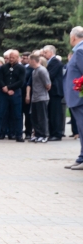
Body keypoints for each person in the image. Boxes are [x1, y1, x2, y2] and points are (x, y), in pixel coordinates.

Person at [0, 49, 26, 142]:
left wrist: (10, 88)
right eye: (10, 57)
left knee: (17, 115)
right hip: (4, 93)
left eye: (13, 58)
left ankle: (18, 135)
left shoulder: (21, 68)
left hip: (15, 93)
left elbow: (21, 81)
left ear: (17, 57)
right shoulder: (4, 67)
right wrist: (4, 87)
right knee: (0, 114)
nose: (11, 59)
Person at [63, 27, 83, 168]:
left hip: (79, 97)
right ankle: (81, 158)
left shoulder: (80, 51)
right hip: (77, 97)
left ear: (73, 37)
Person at [26, 53, 51, 143]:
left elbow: (48, 84)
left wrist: (45, 88)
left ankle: (44, 135)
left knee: (42, 117)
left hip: (42, 97)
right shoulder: (34, 71)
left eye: (29, 60)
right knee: (34, 117)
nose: (28, 62)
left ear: (33, 61)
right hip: (35, 97)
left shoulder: (42, 70)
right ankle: (38, 134)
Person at [43, 45, 65, 140]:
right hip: (50, 91)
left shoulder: (55, 62)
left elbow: (50, 75)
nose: (44, 54)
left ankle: (57, 134)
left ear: (51, 52)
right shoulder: (50, 62)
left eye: (45, 52)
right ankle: (52, 133)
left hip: (55, 91)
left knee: (55, 113)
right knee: (51, 113)